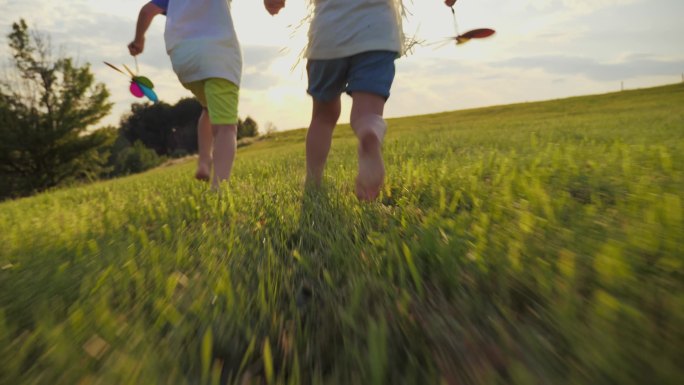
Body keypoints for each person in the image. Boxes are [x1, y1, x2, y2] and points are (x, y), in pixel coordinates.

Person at [264, 0, 457, 200]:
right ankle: (368, 132)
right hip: (377, 33)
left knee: (323, 117)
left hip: (328, 35)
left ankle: (313, 181)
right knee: (368, 114)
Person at [129, 0, 242, 189]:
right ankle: (219, 189)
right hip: (218, 53)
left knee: (208, 109)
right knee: (226, 128)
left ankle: (205, 161)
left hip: (184, 60)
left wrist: (139, 40)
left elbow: (147, 11)